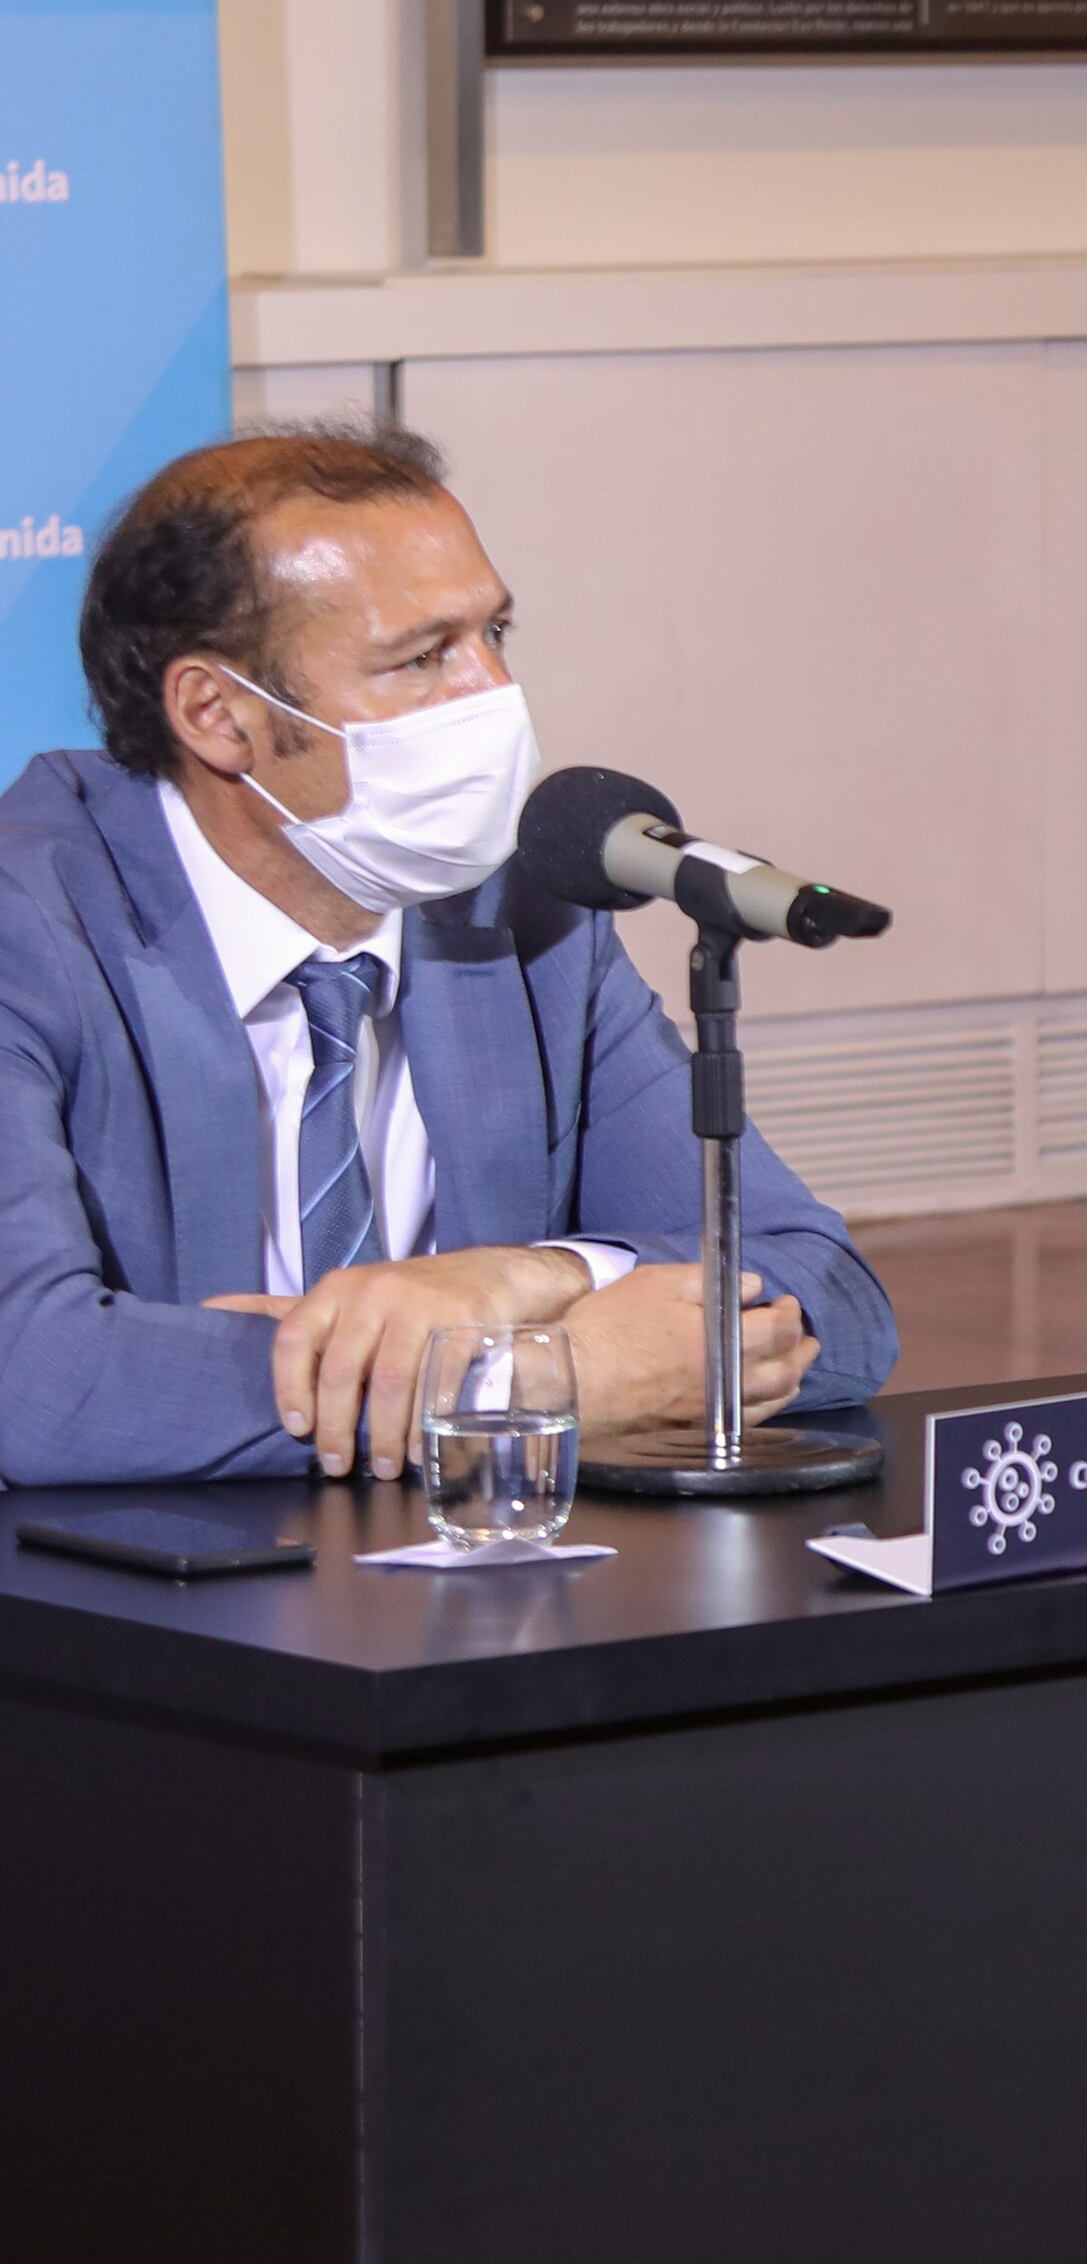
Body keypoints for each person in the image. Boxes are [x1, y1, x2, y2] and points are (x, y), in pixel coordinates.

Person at [0, 432, 891, 1487]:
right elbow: (35, 1381)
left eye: (495, 634)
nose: (493, 696)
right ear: (218, 715)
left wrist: (520, 1280)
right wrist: (528, 1380)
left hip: (476, 1582)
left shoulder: (528, 908)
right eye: (423, 658)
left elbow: (828, 1291)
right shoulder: (33, 922)